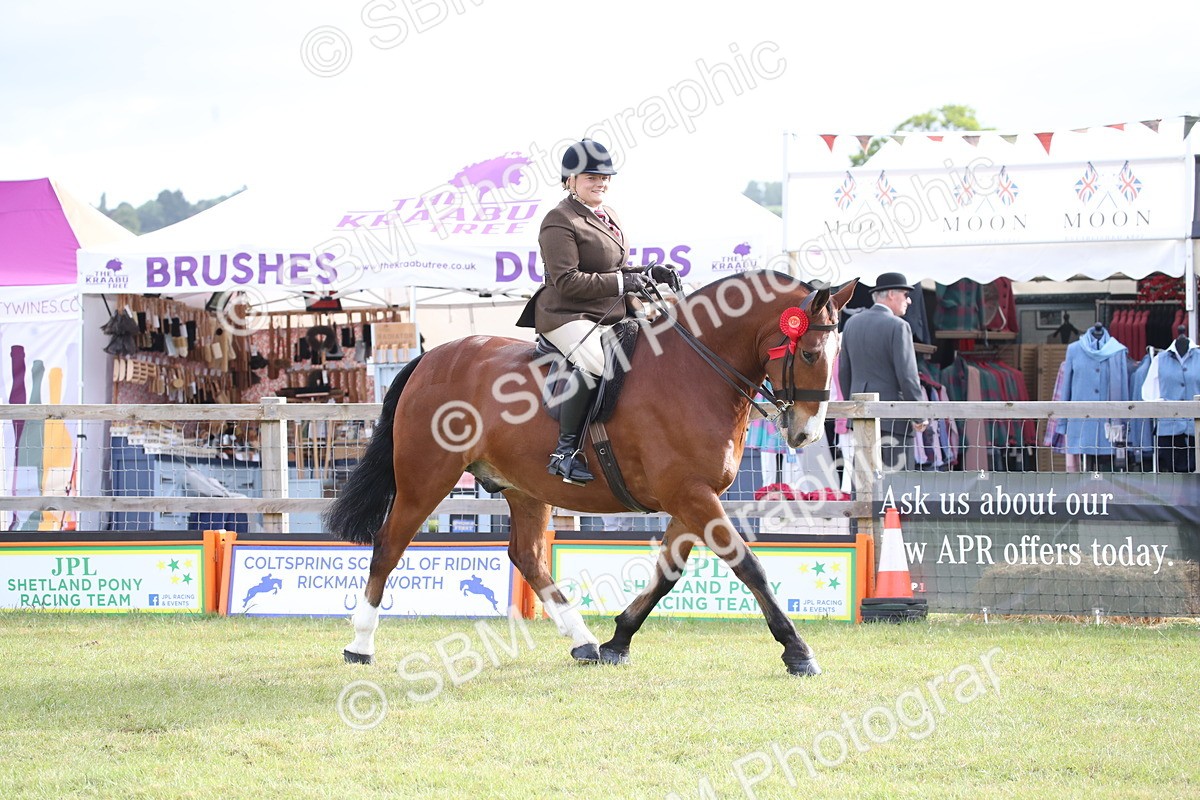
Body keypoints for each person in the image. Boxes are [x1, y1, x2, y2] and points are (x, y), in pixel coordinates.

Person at [516, 139, 679, 485]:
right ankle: (564, 452)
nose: (600, 182)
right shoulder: (558, 221)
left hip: (607, 312)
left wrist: (648, 273)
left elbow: (613, 265)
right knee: (596, 362)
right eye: (591, 177)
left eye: (605, 177)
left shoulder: (609, 215)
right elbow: (568, 281)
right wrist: (625, 282)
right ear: (570, 180)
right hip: (567, 314)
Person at [837, 272, 928, 470]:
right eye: (905, 294)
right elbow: (908, 377)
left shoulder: (851, 323)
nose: (909, 300)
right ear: (891, 295)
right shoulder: (899, 326)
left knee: (863, 483)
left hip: (861, 415)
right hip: (894, 418)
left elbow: (843, 373)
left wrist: (853, 407)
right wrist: (919, 415)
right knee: (897, 487)